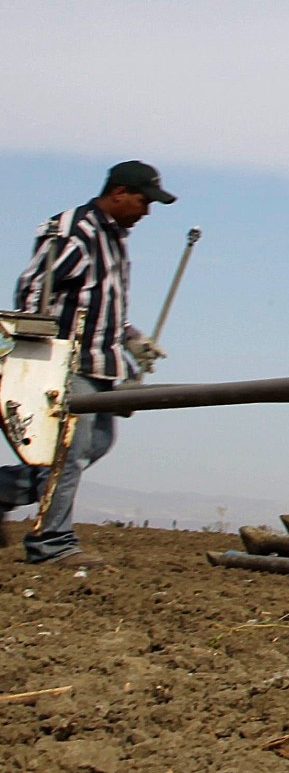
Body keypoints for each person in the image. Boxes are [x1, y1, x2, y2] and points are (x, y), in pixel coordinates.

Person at [0, 160, 179, 564]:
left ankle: (2, 490)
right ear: (118, 192)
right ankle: (52, 543)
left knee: (94, 444)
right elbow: (33, 290)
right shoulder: (75, 231)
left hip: (101, 363)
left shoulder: (114, 238)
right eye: (143, 201)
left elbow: (99, 302)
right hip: (69, 364)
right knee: (68, 453)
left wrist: (133, 340)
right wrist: (39, 354)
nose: (146, 211)